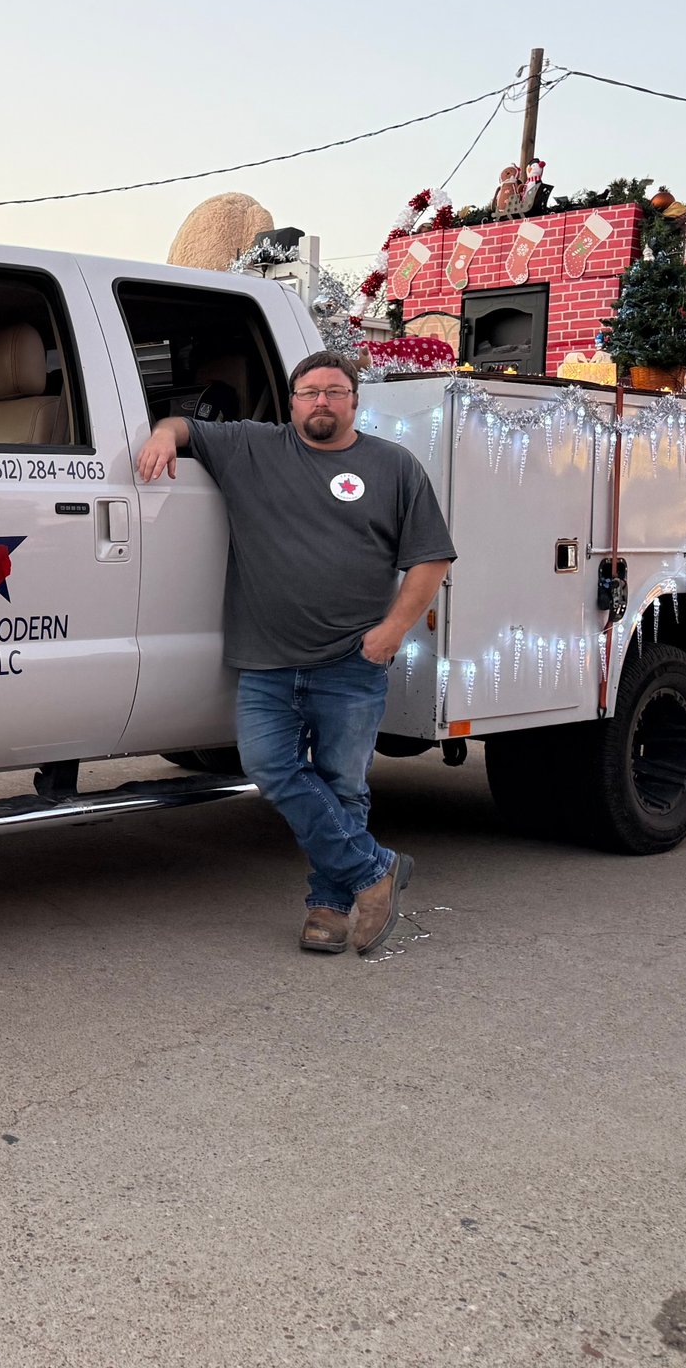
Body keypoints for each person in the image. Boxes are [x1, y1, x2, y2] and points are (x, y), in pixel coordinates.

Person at [135, 350, 455, 956]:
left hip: (352, 662)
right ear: (291, 402)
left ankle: (329, 908)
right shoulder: (253, 448)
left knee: (343, 783)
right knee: (270, 768)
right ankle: (373, 870)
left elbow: (431, 556)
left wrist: (394, 631)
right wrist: (160, 435)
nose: (321, 403)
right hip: (267, 662)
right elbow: (185, 428)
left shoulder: (393, 466)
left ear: (355, 402)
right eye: (309, 393)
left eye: (334, 392)